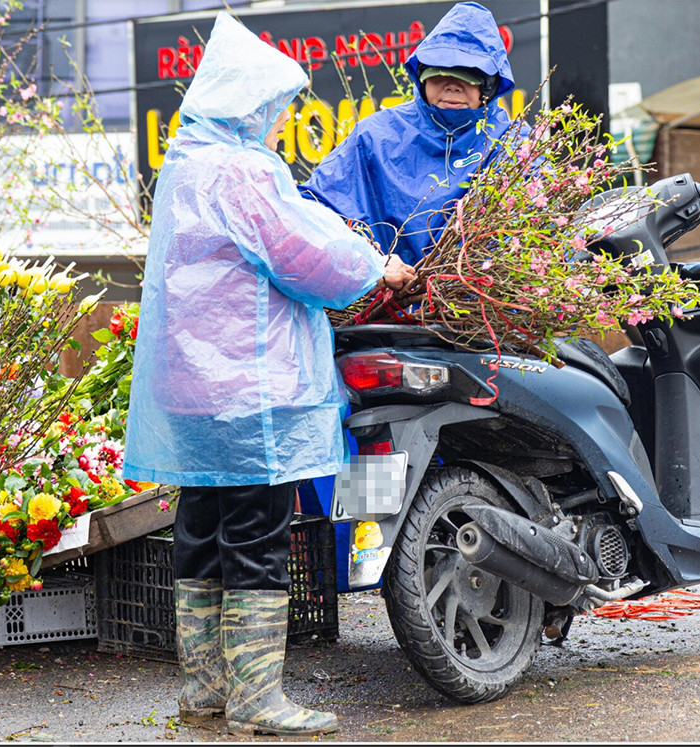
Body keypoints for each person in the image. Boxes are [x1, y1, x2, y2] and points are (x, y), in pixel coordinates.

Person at [122, 12, 415, 737]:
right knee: (256, 536)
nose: (282, 123)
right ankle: (257, 700)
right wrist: (379, 265)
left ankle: (205, 691)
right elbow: (307, 256)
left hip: (191, 392)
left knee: (201, 530)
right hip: (251, 392)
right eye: (278, 109)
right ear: (250, 105)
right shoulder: (244, 170)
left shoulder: (184, 165)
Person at [299, 1, 520, 267]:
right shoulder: (374, 137)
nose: (452, 87)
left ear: (490, 84)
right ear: (421, 78)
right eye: (439, 73)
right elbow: (314, 211)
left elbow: (541, 234)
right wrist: (371, 265)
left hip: (481, 303)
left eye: (468, 75)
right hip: (384, 303)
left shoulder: (515, 144)